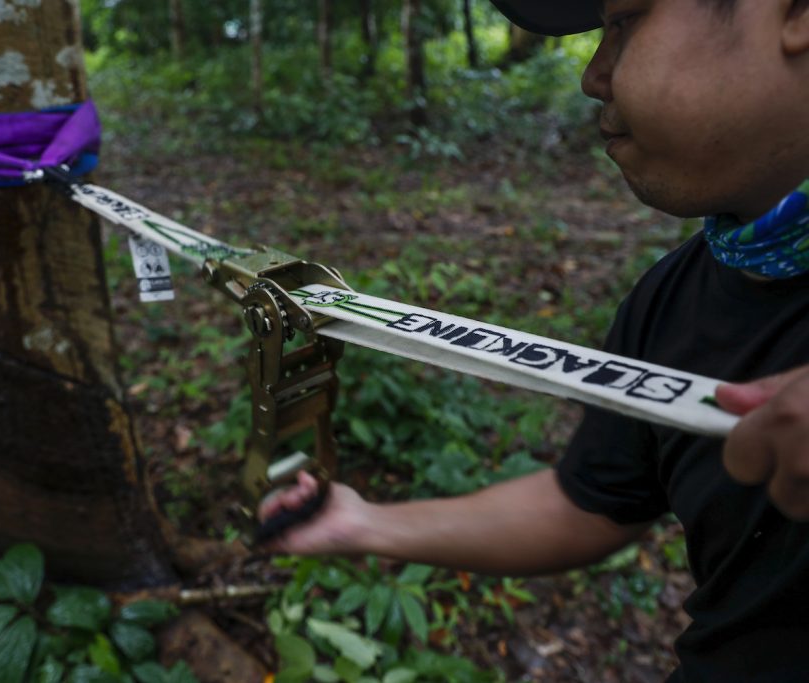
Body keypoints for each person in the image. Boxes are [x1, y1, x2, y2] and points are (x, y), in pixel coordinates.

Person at [259, 1, 809, 681]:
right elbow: (592, 503)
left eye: (625, 20)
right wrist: (364, 524)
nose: (592, 74)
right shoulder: (672, 301)